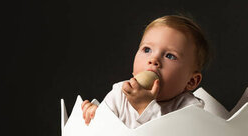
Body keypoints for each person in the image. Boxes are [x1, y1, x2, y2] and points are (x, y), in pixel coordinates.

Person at [81, 15, 211, 129]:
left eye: (170, 56)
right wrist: (96, 116)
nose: (153, 60)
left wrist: (145, 107)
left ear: (191, 81)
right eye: (147, 50)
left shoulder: (190, 108)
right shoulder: (120, 94)